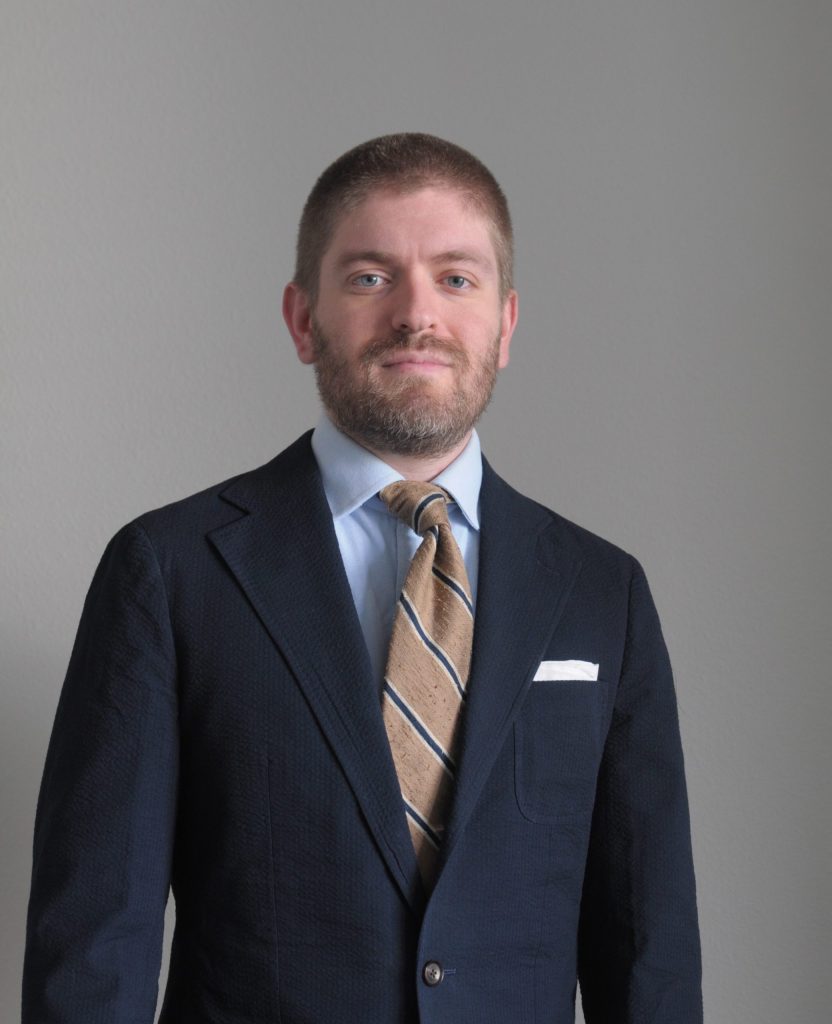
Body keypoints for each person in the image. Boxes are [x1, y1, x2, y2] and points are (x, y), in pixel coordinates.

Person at [23, 133, 702, 1023]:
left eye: (456, 279)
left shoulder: (601, 593)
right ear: (303, 319)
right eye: (371, 277)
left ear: (504, 325)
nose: (417, 315)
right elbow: (94, 949)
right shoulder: (169, 572)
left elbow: (648, 956)